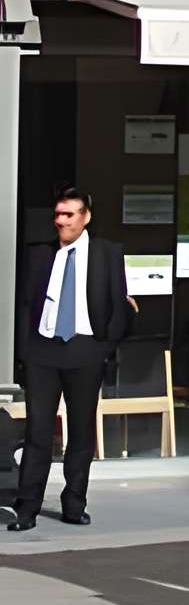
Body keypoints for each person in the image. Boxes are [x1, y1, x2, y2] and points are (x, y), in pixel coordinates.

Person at [7, 189, 131, 530]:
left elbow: (118, 305)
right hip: (44, 352)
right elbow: (26, 305)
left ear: (86, 216)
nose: (62, 221)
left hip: (85, 350)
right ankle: (27, 509)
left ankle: (74, 504)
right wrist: (26, 352)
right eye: (58, 214)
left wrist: (103, 349)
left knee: (80, 432)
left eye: (69, 215)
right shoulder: (40, 254)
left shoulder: (107, 253)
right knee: (38, 432)